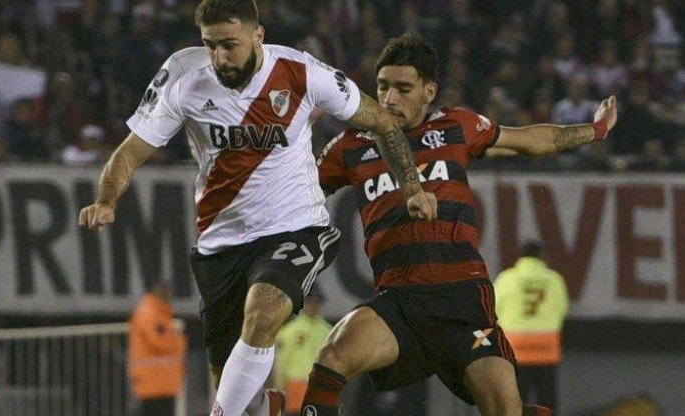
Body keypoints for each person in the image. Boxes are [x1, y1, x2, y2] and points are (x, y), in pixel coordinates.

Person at [77, 2, 437, 415]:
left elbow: (383, 123)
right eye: (210, 45)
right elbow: (129, 153)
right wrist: (107, 198)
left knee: (263, 313)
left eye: (229, 45)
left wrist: (413, 186)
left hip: (296, 228)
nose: (219, 58)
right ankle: (267, 407)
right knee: (234, 385)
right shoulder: (183, 76)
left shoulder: (302, 72)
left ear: (257, 36)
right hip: (221, 243)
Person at [303, 32, 617, 416]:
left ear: (428, 91)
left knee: (505, 410)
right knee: (332, 356)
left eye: (404, 88)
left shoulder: (456, 127)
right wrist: (293, 133)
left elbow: (531, 140)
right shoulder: (350, 146)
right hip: (400, 301)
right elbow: (294, 189)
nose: (389, 99)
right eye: (383, 86)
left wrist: (595, 130)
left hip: (463, 301)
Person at [494, 241, 569, 410]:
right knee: (546, 402)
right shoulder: (555, 280)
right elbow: (562, 310)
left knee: (515, 402)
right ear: (542, 257)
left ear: (520, 258)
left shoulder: (507, 279)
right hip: (546, 348)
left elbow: (492, 310)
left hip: (515, 348)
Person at [128, 280, 188, 416]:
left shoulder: (159, 313)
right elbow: (162, 342)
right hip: (154, 383)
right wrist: (179, 340)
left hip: (161, 382)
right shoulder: (149, 314)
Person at [274, 287, 332, 416]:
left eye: (317, 302)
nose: (313, 306)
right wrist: (279, 385)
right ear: (304, 303)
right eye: (310, 302)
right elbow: (281, 361)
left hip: (320, 387)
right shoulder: (289, 331)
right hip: (295, 385)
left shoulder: (329, 332)